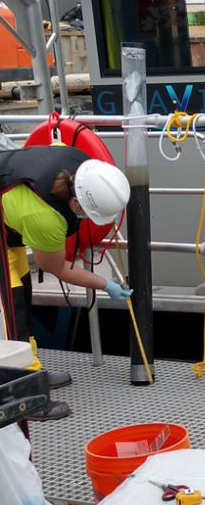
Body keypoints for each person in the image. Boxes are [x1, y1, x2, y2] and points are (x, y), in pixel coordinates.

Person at [2, 147, 132, 423]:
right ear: (75, 204)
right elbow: (56, 267)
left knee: (22, 293)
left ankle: (32, 373)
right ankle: (27, 398)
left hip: (8, 225)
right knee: (12, 311)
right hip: (10, 221)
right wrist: (105, 283)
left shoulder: (80, 165)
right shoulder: (44, 216)